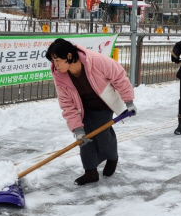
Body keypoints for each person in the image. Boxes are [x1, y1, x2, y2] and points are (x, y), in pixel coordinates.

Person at [46, 38, 136, 186]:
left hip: (103, 102)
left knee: (101, 132)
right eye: (52, 61)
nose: (54, 65)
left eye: (57, 60)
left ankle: (112, 157)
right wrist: (77, 129)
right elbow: (67, 104)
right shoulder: (60, 75)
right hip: (82, 107)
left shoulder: (95, 61)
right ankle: (90, 172)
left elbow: (119, 77)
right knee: (84, 138)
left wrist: (129, 101)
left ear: (69, 56)